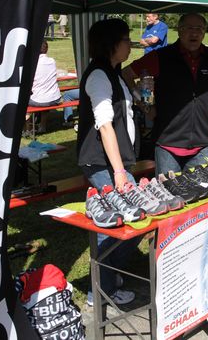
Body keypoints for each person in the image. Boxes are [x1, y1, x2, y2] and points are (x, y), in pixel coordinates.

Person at [122, 13, 208, 176]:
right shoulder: (161, 56)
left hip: (201, 144)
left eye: (199, 29)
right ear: (179, 30)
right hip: (167, 144)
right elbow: (126, 73)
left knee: (201, 191)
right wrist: (144, 105)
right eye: (189, 28)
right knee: (169, 191)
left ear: (204, 32)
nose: (194, 33)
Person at [76, 18, 138, 306]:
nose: (130, 45)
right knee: (114, 222)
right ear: (111, 44)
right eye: (126, 39)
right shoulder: (99, 76)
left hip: (116, 161)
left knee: (132, 219)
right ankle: (101, 291)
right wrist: (119, 172)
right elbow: (104, 125)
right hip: (103, 163)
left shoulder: (114, 72)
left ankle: (109, 276)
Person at [29, 40, 61, 107]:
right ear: (47, 49)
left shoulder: (33, 63)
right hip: (56, 98)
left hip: (39, 100)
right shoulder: (52, 61)